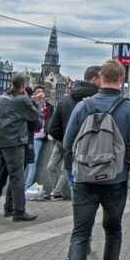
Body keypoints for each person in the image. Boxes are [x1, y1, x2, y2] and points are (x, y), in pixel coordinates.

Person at [63, 59, 130, 260]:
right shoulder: (129, 108)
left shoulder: (82, 106)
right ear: (121, 79)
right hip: (115, 180)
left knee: (80, 232)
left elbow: (68, 143)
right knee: (113, 229)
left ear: (100, 76)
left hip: (84, 180)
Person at [0, 75, 41, 223]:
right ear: (23, 86)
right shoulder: (22, 99)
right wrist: (32, 103)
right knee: (16, 177)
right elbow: (36, 122)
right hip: (14, 144)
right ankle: (18, 211)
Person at [48, 66, 102, 201]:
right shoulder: (100, 100)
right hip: (95, 158)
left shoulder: (65, 100)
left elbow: (53, 129)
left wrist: (68, 140)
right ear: (95, 80)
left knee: (76, 195)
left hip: (70, 157)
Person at [25, 85, 54, 190]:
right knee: (29, 163)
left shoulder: (49, 107)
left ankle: (26, 188)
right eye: (38, 92)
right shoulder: (31, 104)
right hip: (29, 135)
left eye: (42, 91)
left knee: (33, 162)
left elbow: (50, 121)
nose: (40, 93)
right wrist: (35, 103)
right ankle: (25, 188)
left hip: (39, 136)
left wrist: (48, 132)